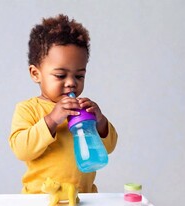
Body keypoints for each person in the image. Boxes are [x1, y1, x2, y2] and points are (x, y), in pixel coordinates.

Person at [9, 14, 118, 194]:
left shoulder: (84, 108)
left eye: (79, 76)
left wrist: (100, 121)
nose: (71, 83)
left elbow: (109, 147)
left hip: (83, 197)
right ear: (36, 73)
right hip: (41, 200)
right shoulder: (28, 109)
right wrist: (51, 120)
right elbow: (22, 150)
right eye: (60, 75)